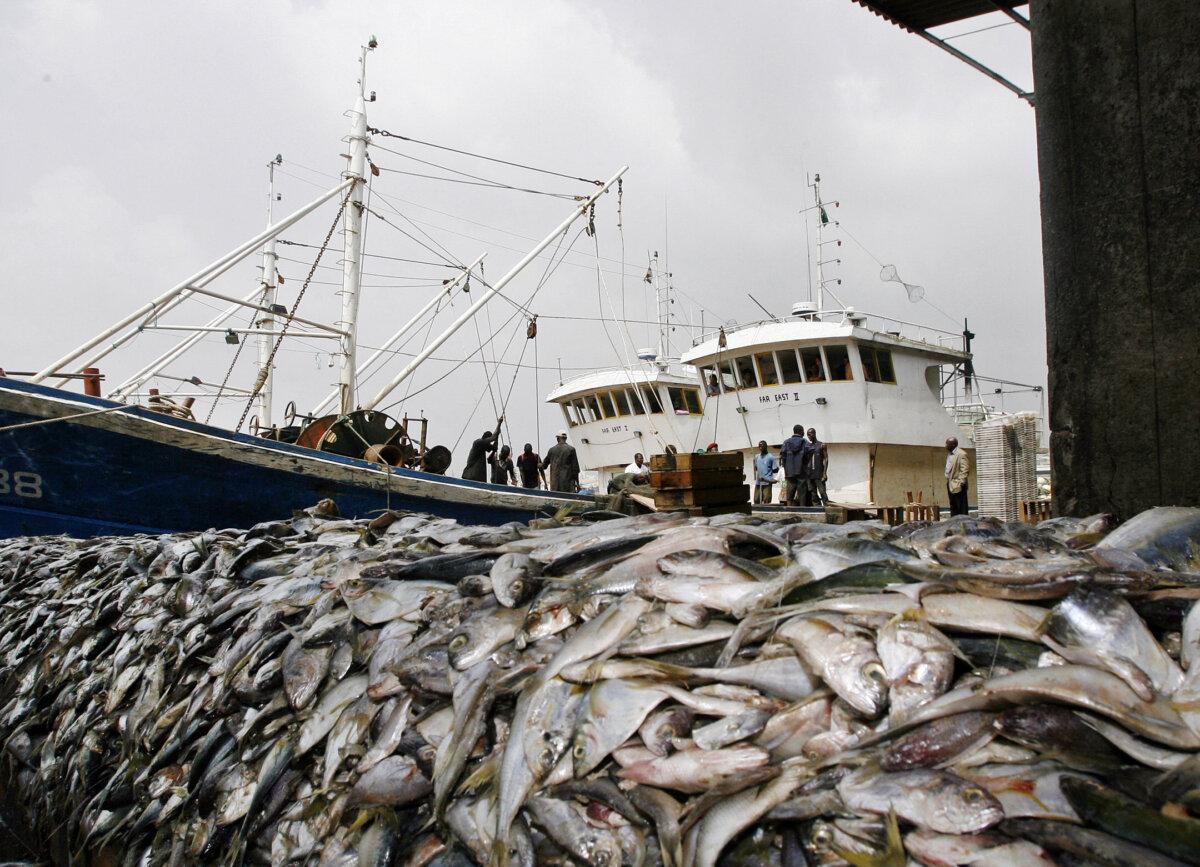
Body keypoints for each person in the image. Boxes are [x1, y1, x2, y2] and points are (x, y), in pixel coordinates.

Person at [462, 416, 503, 482]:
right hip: (470, 476)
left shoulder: (483, 446)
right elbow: (494, 437)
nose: (489, 444)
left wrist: (495, 444)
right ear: (487, 439)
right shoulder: (478, 442)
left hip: (478, 478)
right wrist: (499, 423)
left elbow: (493, 448)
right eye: (489, 442)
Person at [779, 424, 811, 506]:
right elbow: (810, 452)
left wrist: (786, 469)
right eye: (803, 431)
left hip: (789, 473)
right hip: (801, 472)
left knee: (789, 495)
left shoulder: (786, 442)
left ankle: (789, 511)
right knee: (802, 495)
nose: (804, 433)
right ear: (800, 431)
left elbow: (783, 456)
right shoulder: (805, 442)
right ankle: (802, 511)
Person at [945, 436, 970, 516]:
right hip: (950, 483)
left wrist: (961, 483)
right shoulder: (950, 454)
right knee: (953, 506)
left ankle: (963, 526)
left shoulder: (961, 454)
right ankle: (954, 524)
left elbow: (965, 469)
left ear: (952, 445)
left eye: (947, 444)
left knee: (961, 508)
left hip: (958, 485)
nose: (945, 445)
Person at [805, 427, 829, 506]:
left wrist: (824, 473)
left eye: (810, 434)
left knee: (823, 493)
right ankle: (818, 509)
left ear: (814, 434)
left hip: (819, 473)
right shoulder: (807, 446)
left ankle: (826, 509)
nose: (808, 436)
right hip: (810, 474)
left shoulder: (822, 445)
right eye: (807, 435)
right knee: (813, 494)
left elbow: (826, 459)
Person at [753, 440, 778, 505]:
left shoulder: (770, 457)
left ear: (766, 446)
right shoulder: (757, 457)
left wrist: (770, 477)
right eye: (759, 446)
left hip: (767, 482)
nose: (760, 447)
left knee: (766, 500)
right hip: (758, 482)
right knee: (756, 499)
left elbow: (775, 469)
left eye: (762, 446)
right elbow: (756, 468)